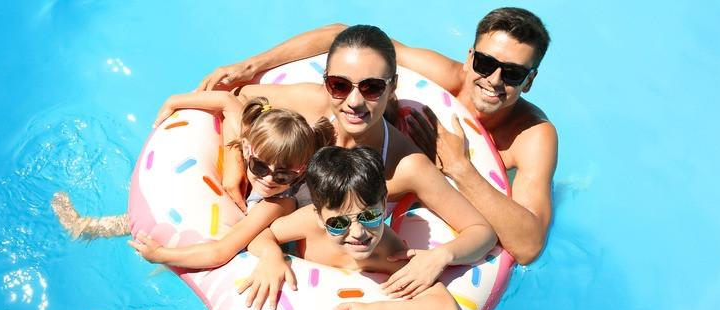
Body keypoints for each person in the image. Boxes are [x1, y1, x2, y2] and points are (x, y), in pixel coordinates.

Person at [199, 7, 556, 265]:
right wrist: (252, 66)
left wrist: (461, 167)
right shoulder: (437, 78)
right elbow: (345, 36)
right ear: (470, 57)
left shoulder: (531, 135)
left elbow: (527, 247)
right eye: (484, 64)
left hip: (405, 189)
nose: (493, 80)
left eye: (511, 73)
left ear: (531, 79)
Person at [209, 25, 497, 301]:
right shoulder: (312, 106)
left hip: (328, 269)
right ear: (327, 83)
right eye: (339, 85)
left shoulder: (405, 164)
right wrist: (235, 169)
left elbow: (481, 232)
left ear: (392, 86)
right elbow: (241, 98)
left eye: (372, 88)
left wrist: (440, 257)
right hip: (267, 243)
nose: (354, 101)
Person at [53, 92, 334, 270]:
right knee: (168, 209)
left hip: (275, 233)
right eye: (259, 166)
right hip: (235, 190)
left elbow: (221, 252)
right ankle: (86, 227)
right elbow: (228, 102)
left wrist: (161, 255)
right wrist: (173, 102)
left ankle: (87, 228)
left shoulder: (278, 202)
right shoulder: (252, 140)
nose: (270, 178)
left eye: (283, 174)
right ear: (248, 149)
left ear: (301, 170)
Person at [244, 145, 459, 310]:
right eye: (338, 223)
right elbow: (261, 235)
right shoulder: (310, 223)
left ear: (384, 206)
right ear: (319, 216)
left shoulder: (388, 252)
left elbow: (445, 308)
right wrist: (271, 256)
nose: (358, 233)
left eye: (370, 216)